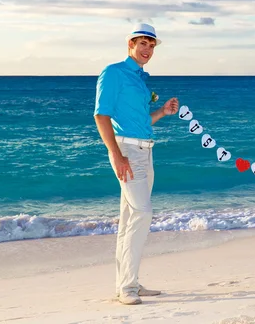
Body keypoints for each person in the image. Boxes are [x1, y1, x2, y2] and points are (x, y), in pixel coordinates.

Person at [94, 23, 179, 305]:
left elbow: (141, 122)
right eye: (143, 44)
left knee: (131, 218)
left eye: (152, 46)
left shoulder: (141, 80)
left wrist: (162, 112)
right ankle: (127, 289)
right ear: (130, 44)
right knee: (143, 213)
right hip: (126, 151)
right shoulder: (114, 73)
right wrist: (116, 155)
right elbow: (101, 116)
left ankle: (129, 283)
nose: (147, 50)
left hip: (146, 150)